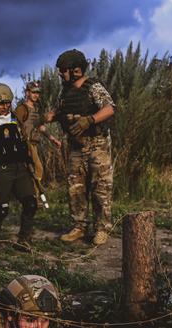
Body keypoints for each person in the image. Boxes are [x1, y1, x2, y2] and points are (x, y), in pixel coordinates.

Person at [47, 49, 115, 246]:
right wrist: (53, 116)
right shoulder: (65, 91)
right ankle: (79, 226)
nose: (60, 74)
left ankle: (102, 229)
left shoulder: (93, 87)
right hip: (76, 147)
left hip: (97, 145)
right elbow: (61, 110)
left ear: (75, 70)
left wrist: (90, 120)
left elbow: (110, 108)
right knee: (76, 188)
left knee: (100, 187)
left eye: (63, 71)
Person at [0, 83, 38, 249]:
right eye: (0, 103)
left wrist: (30, 164)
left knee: (31, 204)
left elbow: (24, 142)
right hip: (1, 170)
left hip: (21, 169)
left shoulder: (15, 120)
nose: (4, 107)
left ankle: (24, 240)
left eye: (7, 103)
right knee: (1, 209)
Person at [14, 81, 62, 198]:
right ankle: (34, 196)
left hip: (34, 143)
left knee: (32, 171)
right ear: (27, 93)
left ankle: (30, 196)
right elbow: (13, 125)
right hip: (26, 143)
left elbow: (41, 127)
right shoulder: (22, 108)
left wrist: (53, 139)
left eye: (38, 93)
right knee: (38, 169)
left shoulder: (35, 109)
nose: (36, 95)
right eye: (33, 92)